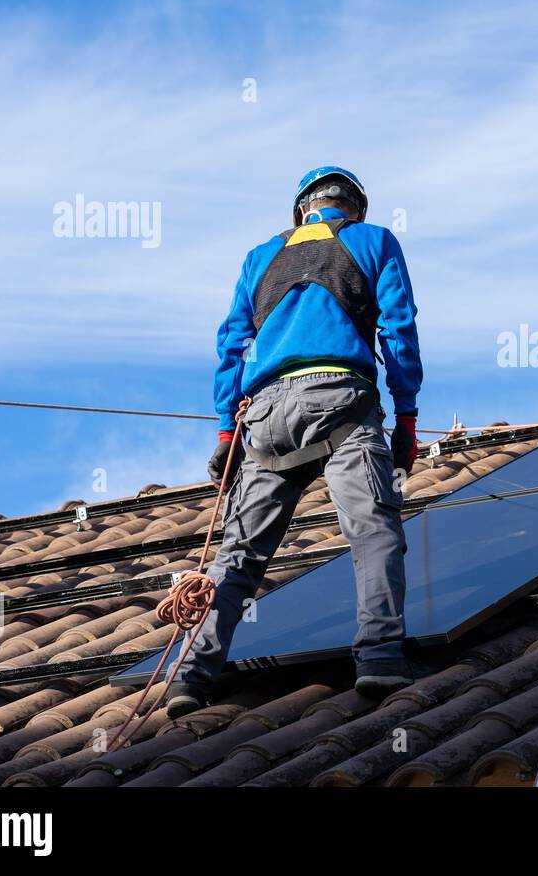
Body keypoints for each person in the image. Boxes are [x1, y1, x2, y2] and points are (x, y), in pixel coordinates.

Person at [166, 166, 423, 717]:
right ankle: (379, 658)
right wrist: (406, 418)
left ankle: (191, 677)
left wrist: (225, 429)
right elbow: (398, 329)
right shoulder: (373, 241)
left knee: (235, 557)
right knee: (373, 531)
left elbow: (232, 342)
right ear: (353, 207)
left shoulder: (260, 256)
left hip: (265, 415)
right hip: (341, 402)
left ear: (301, 209)